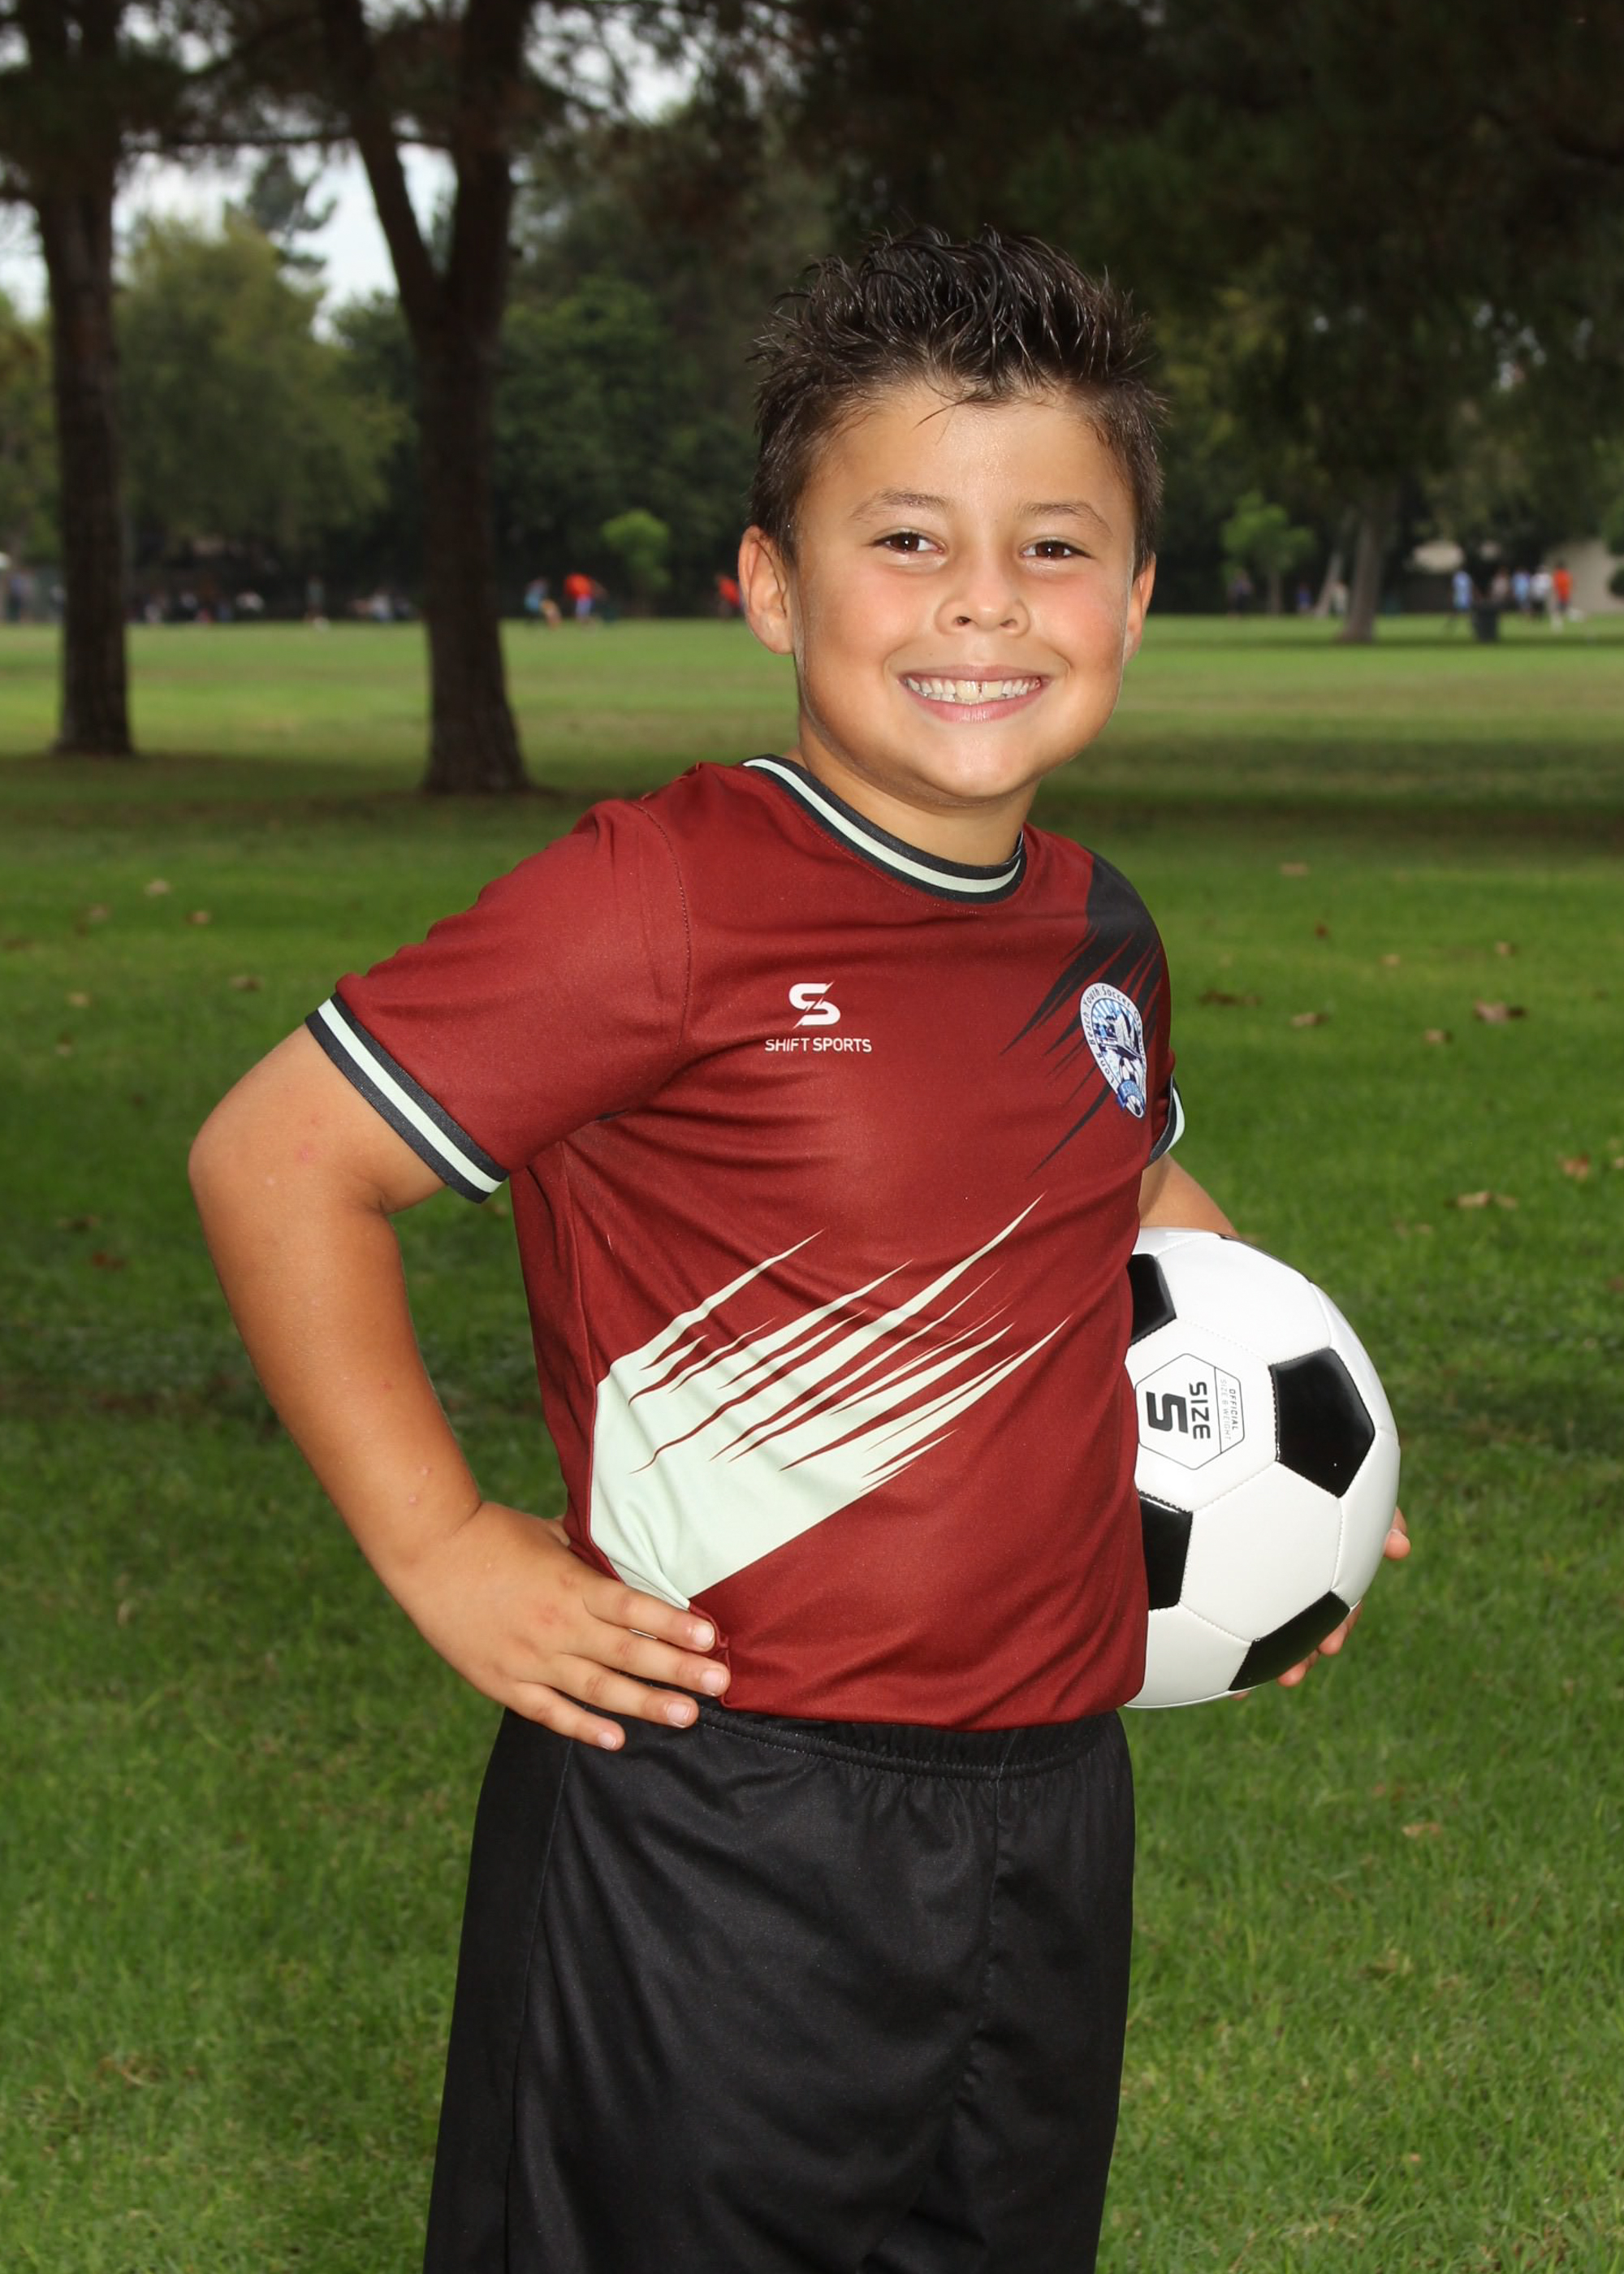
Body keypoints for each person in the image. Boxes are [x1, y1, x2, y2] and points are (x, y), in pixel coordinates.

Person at [190, 227, 1409, 2274]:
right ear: (769, 583)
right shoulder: (661, 900)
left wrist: (1312, 1465)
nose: (981, 602)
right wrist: (439, 1539)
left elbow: (1119, 1200)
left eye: (1052, 547)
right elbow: (276, 1159)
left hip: (1047, 1811)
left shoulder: (1095, 926)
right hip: (709, 1812)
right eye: (907, 538)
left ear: (1132, 596)